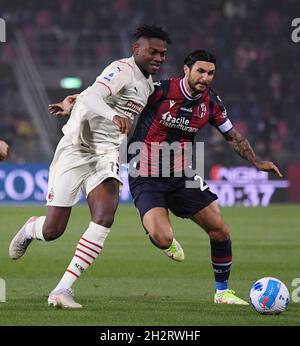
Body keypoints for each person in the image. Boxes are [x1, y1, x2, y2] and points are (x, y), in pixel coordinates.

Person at [54, 49, 283, 305]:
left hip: (182, 175)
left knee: (220, 230)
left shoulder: (212, 103)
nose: (205, 78)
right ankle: (162, 237)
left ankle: (222, 292)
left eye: (210, 73)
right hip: (146, 175)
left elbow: (234, 138)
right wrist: (72, 101)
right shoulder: (159, 90)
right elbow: (106, 95)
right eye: (200, 71)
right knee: (161, 237)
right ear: (186, 70)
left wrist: (256, 161)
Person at [9, 24, 172, 309]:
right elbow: (98, 94)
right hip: (75, 149)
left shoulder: (147, 85)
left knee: (105, 215)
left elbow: (91, 92)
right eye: (153, 52)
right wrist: (110, 115)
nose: (158, 58)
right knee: (53, 230)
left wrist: (75, 101)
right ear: (137, 50)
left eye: (163, 54)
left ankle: (62, 289)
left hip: (106, 154)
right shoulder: (122, 69)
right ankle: (29, 229)